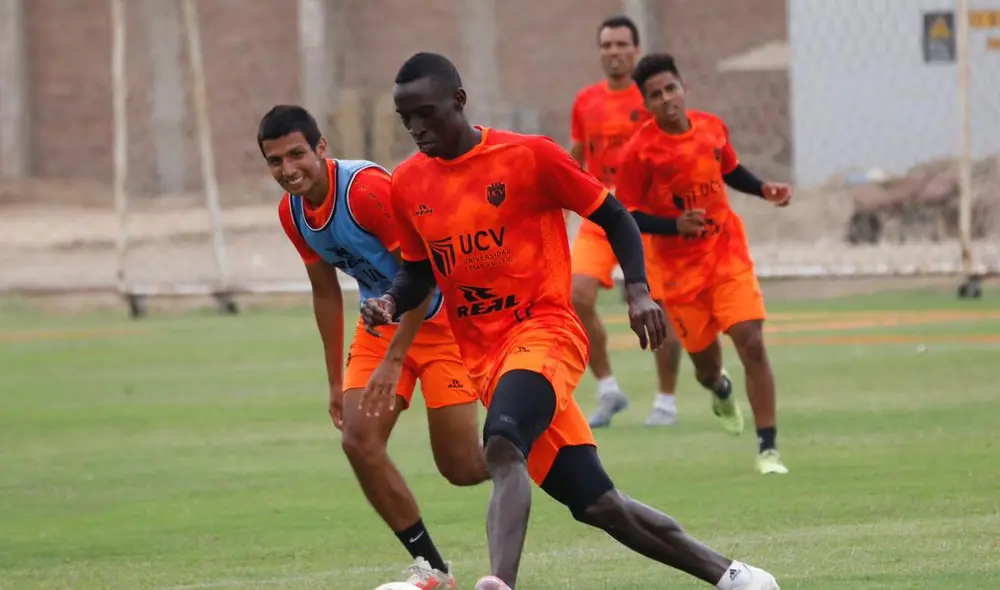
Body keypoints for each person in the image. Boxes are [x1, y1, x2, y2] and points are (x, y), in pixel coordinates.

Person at [360, 52, 781, 590]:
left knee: (502, 443)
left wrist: (638, 291)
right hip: (486, 359)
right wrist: (392, 303)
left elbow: (614, 214)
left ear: (459, 102)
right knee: (599, 504)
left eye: (427, 113)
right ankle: (734, 576)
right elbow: (418, 274)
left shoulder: (529, 157)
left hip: (545, 334)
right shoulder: (407, 183)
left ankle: (499, 583)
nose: (417, 128)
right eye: (406, 118)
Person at [258, 105, 489, 589]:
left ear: (322, 148)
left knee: (462, 468)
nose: (288, 170)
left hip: (444, 324)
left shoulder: (366, 191)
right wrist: (334, 382)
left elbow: (424, 274)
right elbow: (325, 293)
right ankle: (433, 571)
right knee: (358, 440)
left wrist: (397, 359)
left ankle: (532, 450)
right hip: (380, 325)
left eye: (297, 154)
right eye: (275, 161)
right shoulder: (291, 212)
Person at [615, 53, 791, 475]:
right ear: (646, 103)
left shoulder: (711, 127)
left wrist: (763, 188)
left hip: (726, 254)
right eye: (655, 95)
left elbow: (729, 169)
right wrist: (674, 225)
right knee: (707, 366)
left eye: (670, 89)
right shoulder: (640, 152)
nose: (666, 99)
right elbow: (626, 215)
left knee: (750, 338)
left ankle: (768, 449)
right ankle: (720, 388)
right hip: (677, 272)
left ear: (683, 87)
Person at [568, 15, 685, 428]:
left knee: (659, 304)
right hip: (600, 214)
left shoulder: (654, 98)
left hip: (645, 217)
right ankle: (608, 390)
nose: (614, 52)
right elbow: (576, 156)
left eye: (621, 45)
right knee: (576, 293)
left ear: (635, 50)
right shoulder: (586, 101)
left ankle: (666, 401)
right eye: (607, 45)